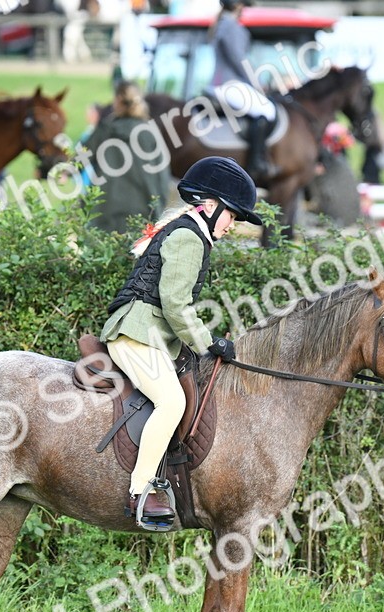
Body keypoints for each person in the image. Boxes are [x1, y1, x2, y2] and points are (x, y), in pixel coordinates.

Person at [100, 156, 262, 528]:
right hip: (137, 333)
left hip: (150, 334)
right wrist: (208, 343)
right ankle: (141, 491)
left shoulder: (189, 231)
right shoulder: (188, 237)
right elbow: (175, 303)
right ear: (208, 205)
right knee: (172, 402)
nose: (233, 225)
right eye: (232, 215)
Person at [83, 82, 171, 233]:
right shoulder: (149, 132)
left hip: (104, 211)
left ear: (117, 100)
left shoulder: (104, 129)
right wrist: (159, 209)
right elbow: (162, 176)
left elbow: (80, 158)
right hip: (142, 213)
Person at [210, 0, 276, 183]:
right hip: (228, 84)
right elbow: (239, 60)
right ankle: (255, 163)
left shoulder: (222, 24)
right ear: (238, 6)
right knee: (267, 110)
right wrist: (257, 84)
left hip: (222, 83)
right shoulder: (232, 26)